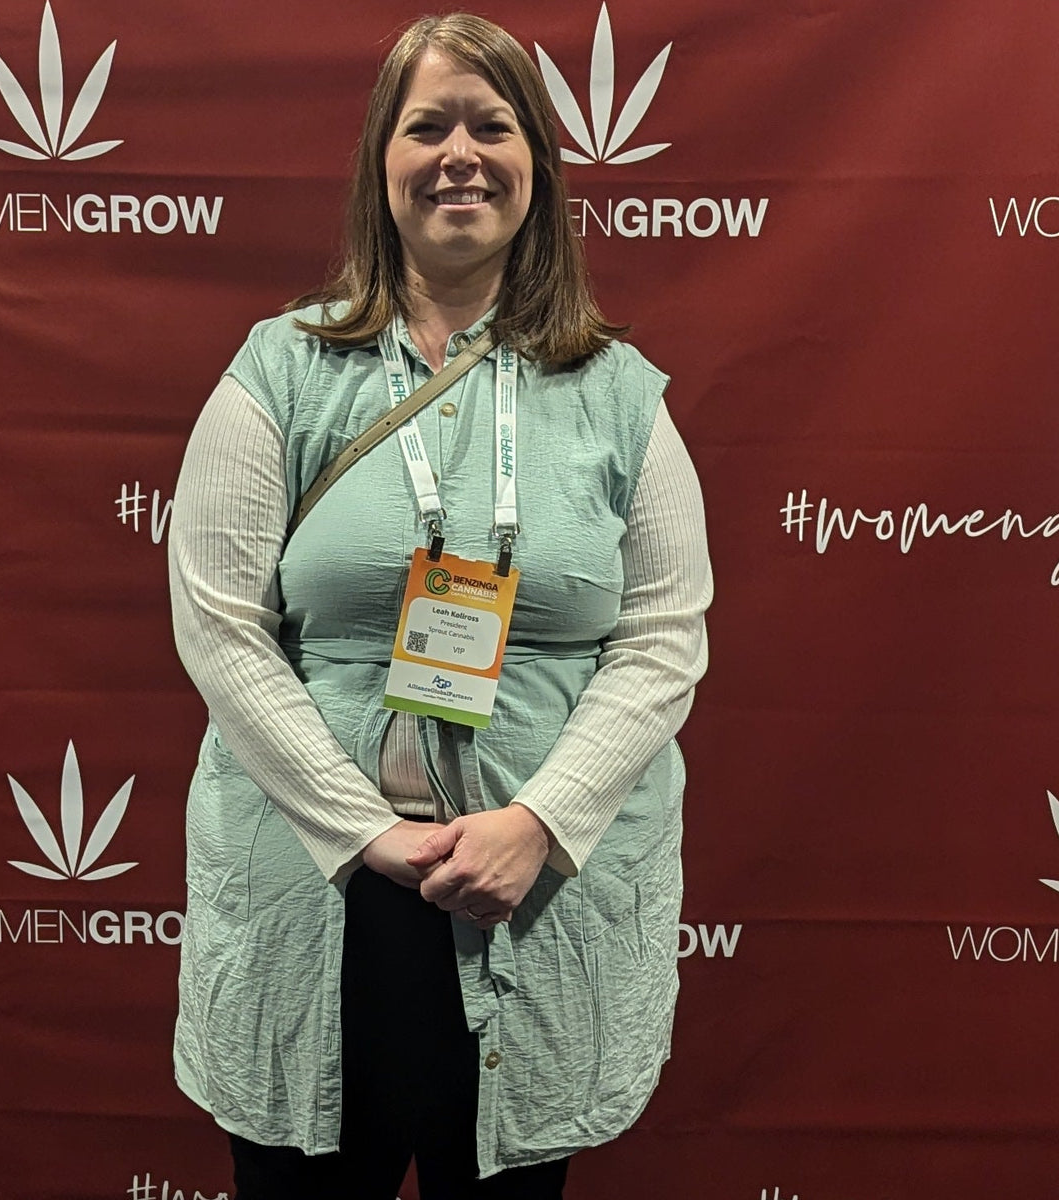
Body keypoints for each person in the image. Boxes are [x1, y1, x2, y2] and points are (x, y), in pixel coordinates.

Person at [168, 12, 711, 1199]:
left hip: (533, 896)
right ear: (382, 162)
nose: (461, 152)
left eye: (492, 124)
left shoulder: (620, 394)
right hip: (319, 894)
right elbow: (218, 625)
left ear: (538, 169)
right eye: (428, 126)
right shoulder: (280, 371)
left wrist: (543, 823)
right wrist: (365, 831)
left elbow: (666, 641)